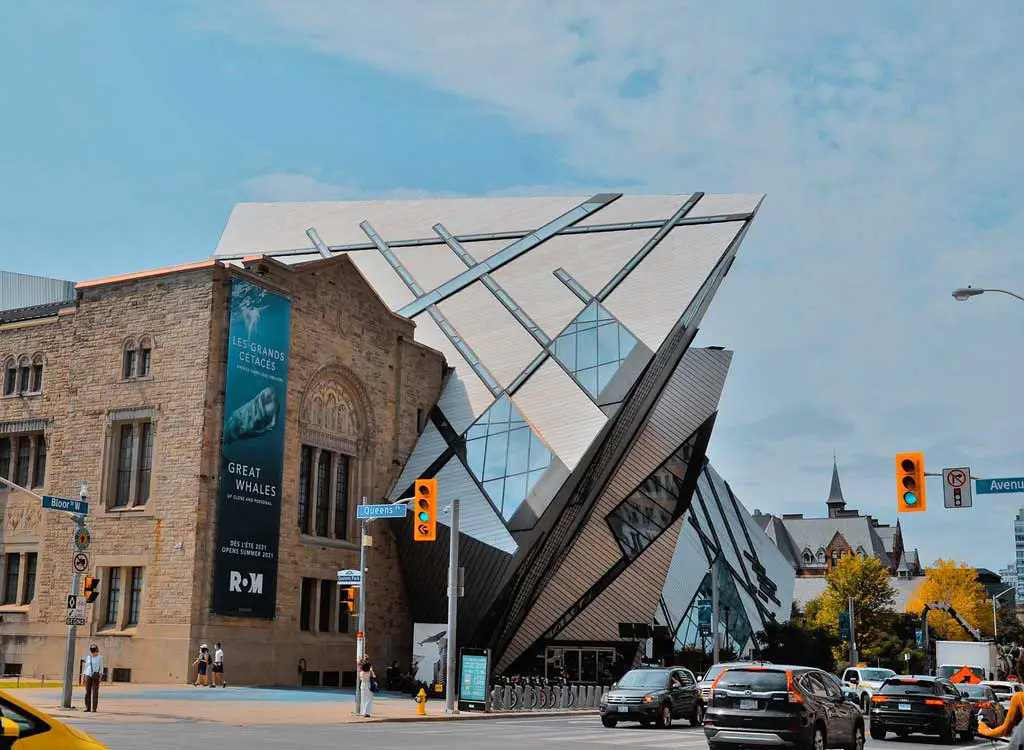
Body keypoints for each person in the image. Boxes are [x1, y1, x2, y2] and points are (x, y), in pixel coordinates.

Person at [83, 644, 103, 713]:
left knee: (95, 692)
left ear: (97, 650)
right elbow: (86, 667)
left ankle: (94, 708)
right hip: (88, 675)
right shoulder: (88, 657)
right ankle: (87, 707)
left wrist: (100, 677)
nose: (93, 652)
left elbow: (101, 668)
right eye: (92, 650)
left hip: (95, 676)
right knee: (87, 692)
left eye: (94, 650)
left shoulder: (100, 657)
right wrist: (84, 676)